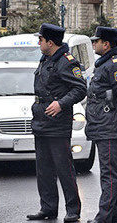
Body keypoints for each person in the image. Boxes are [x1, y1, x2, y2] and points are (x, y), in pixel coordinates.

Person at [27, 23, 87, 222]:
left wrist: (61, 104)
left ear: (50, 42)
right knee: (43, 170)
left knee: (64, 169)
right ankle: (48, 208)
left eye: (41, 40)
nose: (38, 43)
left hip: (58, 123)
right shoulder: (46, 59)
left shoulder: (66, 61)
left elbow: (80, 89)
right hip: (41, 121)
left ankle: (73, 210)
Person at [85, 27, 117, 223]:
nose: (93, 44)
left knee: (109, 174)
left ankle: (105, 217)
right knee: (114, 173)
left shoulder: (116, 65)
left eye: (96, 41)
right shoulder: (105, 63)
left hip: (110, 127)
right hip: (106, 125)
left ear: (106, 44)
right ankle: (113, 216)